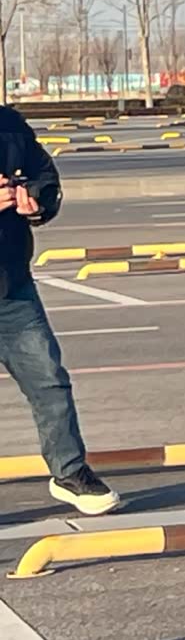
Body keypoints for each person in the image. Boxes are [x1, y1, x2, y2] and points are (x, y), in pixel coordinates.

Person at [0, 106, 122, 515]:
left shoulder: (9, 125)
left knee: (49, 379)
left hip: (11, 289)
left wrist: (35, 200)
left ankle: (69, 472)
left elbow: (44, 176)